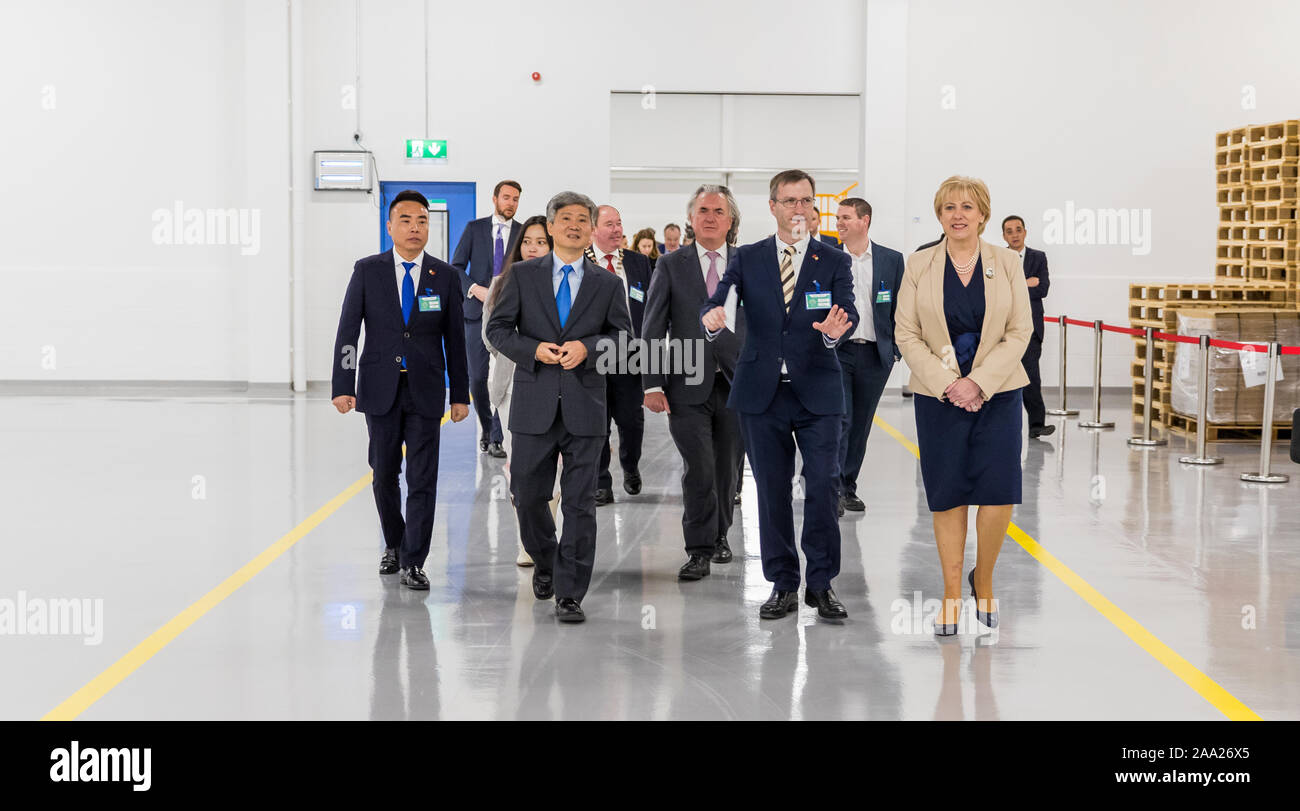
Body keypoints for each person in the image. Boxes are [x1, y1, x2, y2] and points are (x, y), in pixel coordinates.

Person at [701, 169, 858, 621]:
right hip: (761, 393)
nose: (798, 209)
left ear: (814, 207)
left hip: (818, 393)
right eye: (789, 201)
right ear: (772, 207)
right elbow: (719, 298)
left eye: (806, 201)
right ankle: (783, 584)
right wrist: (711, 316)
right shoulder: (748, 257)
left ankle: (822, 584)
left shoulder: (833, 259)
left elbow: (845, 307)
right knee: (770, 491)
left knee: (825, 487)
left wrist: (834, 332)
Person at [486, 192, 633, 623]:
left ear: (590, 230)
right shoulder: (522, 276)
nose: (573, 225)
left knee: (579, 504)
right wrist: (535, 350)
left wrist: (586, 349)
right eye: (564, 218)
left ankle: (571, 592)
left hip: (586, 408)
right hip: (533, 407)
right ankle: (547, 560)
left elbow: (623, 338)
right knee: (527, 496)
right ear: (550, 227)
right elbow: (497, 329)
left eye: (581, 219)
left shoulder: (607, 284)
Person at [895, 175, 1032, 635]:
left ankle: (985, 579)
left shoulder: (1008, 263)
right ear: (939, 214)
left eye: (968, 207)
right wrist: (949, 383)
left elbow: (1020, 331)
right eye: (949, 207)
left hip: (998, 393)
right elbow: (906, 332)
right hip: (940, 396)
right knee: (948, 493)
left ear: (983, 215)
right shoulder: (918, 264)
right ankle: (952, 593)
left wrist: (979, 383)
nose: (958, 214)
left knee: (997, 496)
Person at [331, 190, 471, 590]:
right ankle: (394, 542)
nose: (415, 227)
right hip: (379, 388)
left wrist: (459, 394)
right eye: (406, 220)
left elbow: (455, 340)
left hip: (425, 390)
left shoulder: (444, 276)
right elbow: (347, 332)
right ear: (390, 226)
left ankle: (414, 560)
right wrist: (343, 383)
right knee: (384, 474)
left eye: (422, 221)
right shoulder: (367, 270)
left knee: (424, 478)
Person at [642, 184, 746, 580]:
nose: (710, 217)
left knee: (727, 468)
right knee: (698, 466)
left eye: (718, 211)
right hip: (685, 381)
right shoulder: (671, 265)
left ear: (730, 219)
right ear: (691, 217)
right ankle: (699, 548)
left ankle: (720, 535)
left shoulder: (748, 262)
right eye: (702, 210)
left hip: (738, 383)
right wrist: (651, 383)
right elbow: (653, 326)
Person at [482, 215, 554, 567]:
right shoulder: (502, 281)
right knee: (519, 469)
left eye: (541, 242)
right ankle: (527, 542)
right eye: (528, 241)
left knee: (554, 469)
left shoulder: (564, 282)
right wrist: (528, 351)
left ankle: (549, 536)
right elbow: (490, 334)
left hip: (559, 384)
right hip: (512, 384)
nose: (533, 248)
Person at [833, 197, 905, 514]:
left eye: (846, 217)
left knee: (861, 425)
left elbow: (902, 308)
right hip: (838, 352)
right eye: (838, 218)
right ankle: (832, 488)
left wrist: (896, 350)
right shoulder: (830, 258)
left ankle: (848, 486)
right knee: (842, 420)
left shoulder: (891, 260)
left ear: (865, 220)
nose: (840, 223)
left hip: (876, 355)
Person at [585, 205, 652, 505]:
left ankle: (630, 464)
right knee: (597, 421)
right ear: (593, 230)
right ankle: (601, 481)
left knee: (631, 420)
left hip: (631, 354)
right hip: (594, 354)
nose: (616, 229)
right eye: (609, 224)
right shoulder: (582, 263)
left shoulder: (638, 263)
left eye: (619, 223)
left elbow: (652, 307)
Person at [451, 180, 522, 459]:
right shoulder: (474, 229)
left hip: (510, 317)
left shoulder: (522, 233)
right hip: (475, 312)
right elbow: (456, 266)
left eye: (515, 199)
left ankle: (497, 434)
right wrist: (474, 288)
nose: (511, 203)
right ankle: (487, 425)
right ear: (495, 199)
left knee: (505, 378)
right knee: (478, 377)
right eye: (506, 197)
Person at [1002, 215, 1054, 438]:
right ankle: (1000, 425)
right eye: (1009, 231)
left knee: (1031, 376)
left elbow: (1042, 289)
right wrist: (1027, 282)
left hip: (1031, 329)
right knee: (1000, 377)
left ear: (1025, 232)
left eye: (1018, 230)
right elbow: (999, 291)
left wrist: (1016, 285)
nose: (1014, 234)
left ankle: (1036, 425)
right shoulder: (998, 257)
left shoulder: (1038, 257)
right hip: (1002, 329)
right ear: (1004, 235)